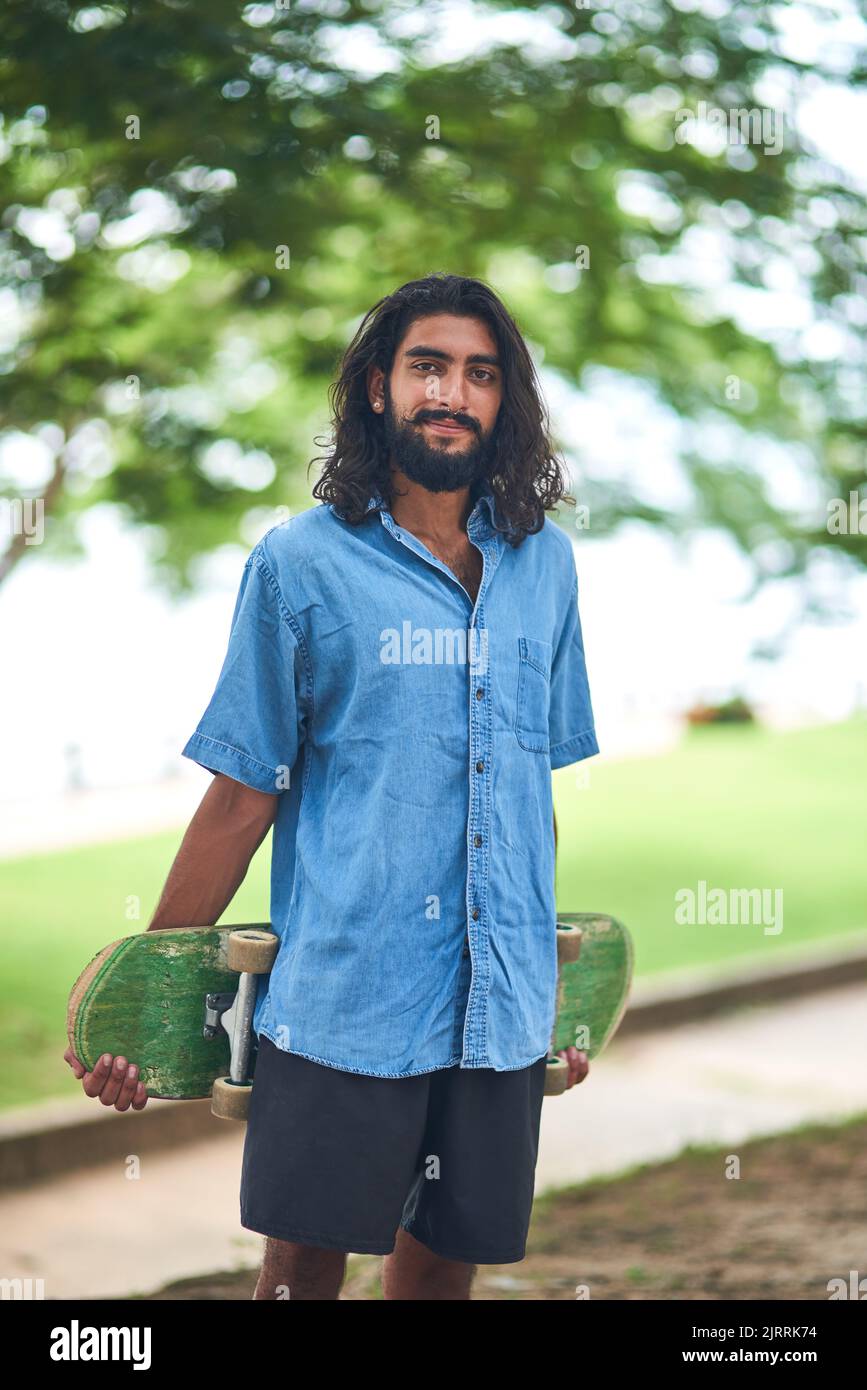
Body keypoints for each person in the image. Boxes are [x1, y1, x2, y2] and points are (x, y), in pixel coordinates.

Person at [64, 272, 599, 1300]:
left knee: (444, 1277)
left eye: (480, 374)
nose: (452, 392)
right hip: (348, 1001)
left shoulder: (549, 568)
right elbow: (239, 796)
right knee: (299, 1280)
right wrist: (146, 992)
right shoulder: (300, 567)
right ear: (375, 388)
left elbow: (528, 799)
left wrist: (551, 995)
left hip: (498, 1013)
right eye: (428, 366)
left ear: (506, 401)